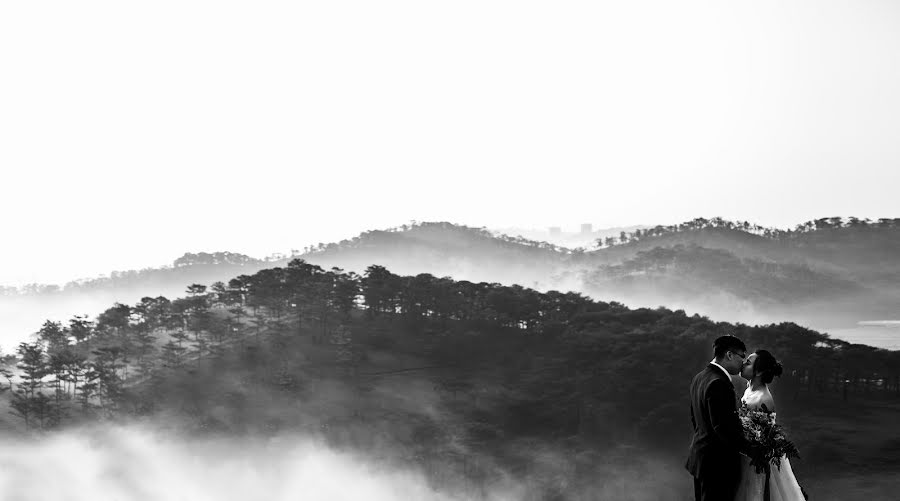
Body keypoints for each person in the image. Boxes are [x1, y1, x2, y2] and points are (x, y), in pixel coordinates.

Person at [734, 350, 807, 501]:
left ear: (759, 371)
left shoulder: (763, 398)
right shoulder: (749, 389)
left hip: (756, 460)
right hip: (746, 456)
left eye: (748, 363)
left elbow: (764, 436)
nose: (743, 364)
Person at [686, 335, 750, 501]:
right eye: (742, 356)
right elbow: (723, 428)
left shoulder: (699, 377)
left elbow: (695, 419)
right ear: (729, 355)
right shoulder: (719, 383)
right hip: (717, 465)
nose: (743, 363)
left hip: (701, 458)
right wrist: (752, 451)